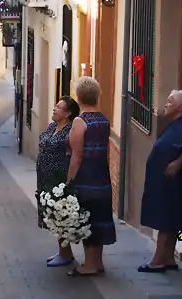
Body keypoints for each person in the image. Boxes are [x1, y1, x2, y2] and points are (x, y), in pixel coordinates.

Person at [138, 90, 182, 272]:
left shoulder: (180, 126)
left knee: (165, 220)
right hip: (166, 184)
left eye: (170, 102)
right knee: (170, 220)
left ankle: (157, 261)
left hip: (171, 185)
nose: (166, 104)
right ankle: (169, 257)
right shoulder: (175, 125)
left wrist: (176, 165)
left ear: (180, 107)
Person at [66, 76, 117, 277]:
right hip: (101, 175)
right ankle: (98, 262)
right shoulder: (104, 119)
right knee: (99, 217)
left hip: (86, 177)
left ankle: (89, 264)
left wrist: (69, 180)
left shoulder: (80, 121)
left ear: (79, 97)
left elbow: (77, 156)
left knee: (87, 218)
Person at [36, 96, 80, 268]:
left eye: (59, 107)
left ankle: (65, 254)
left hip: (59, 179)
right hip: (44, 178)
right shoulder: (53, 125)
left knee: (60, 215)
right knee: (52, 215)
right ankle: (63, 251)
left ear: (68, 113)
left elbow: (76, 153)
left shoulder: (70, 130)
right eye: (55, 106)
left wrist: (69, 180)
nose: (54, 109)